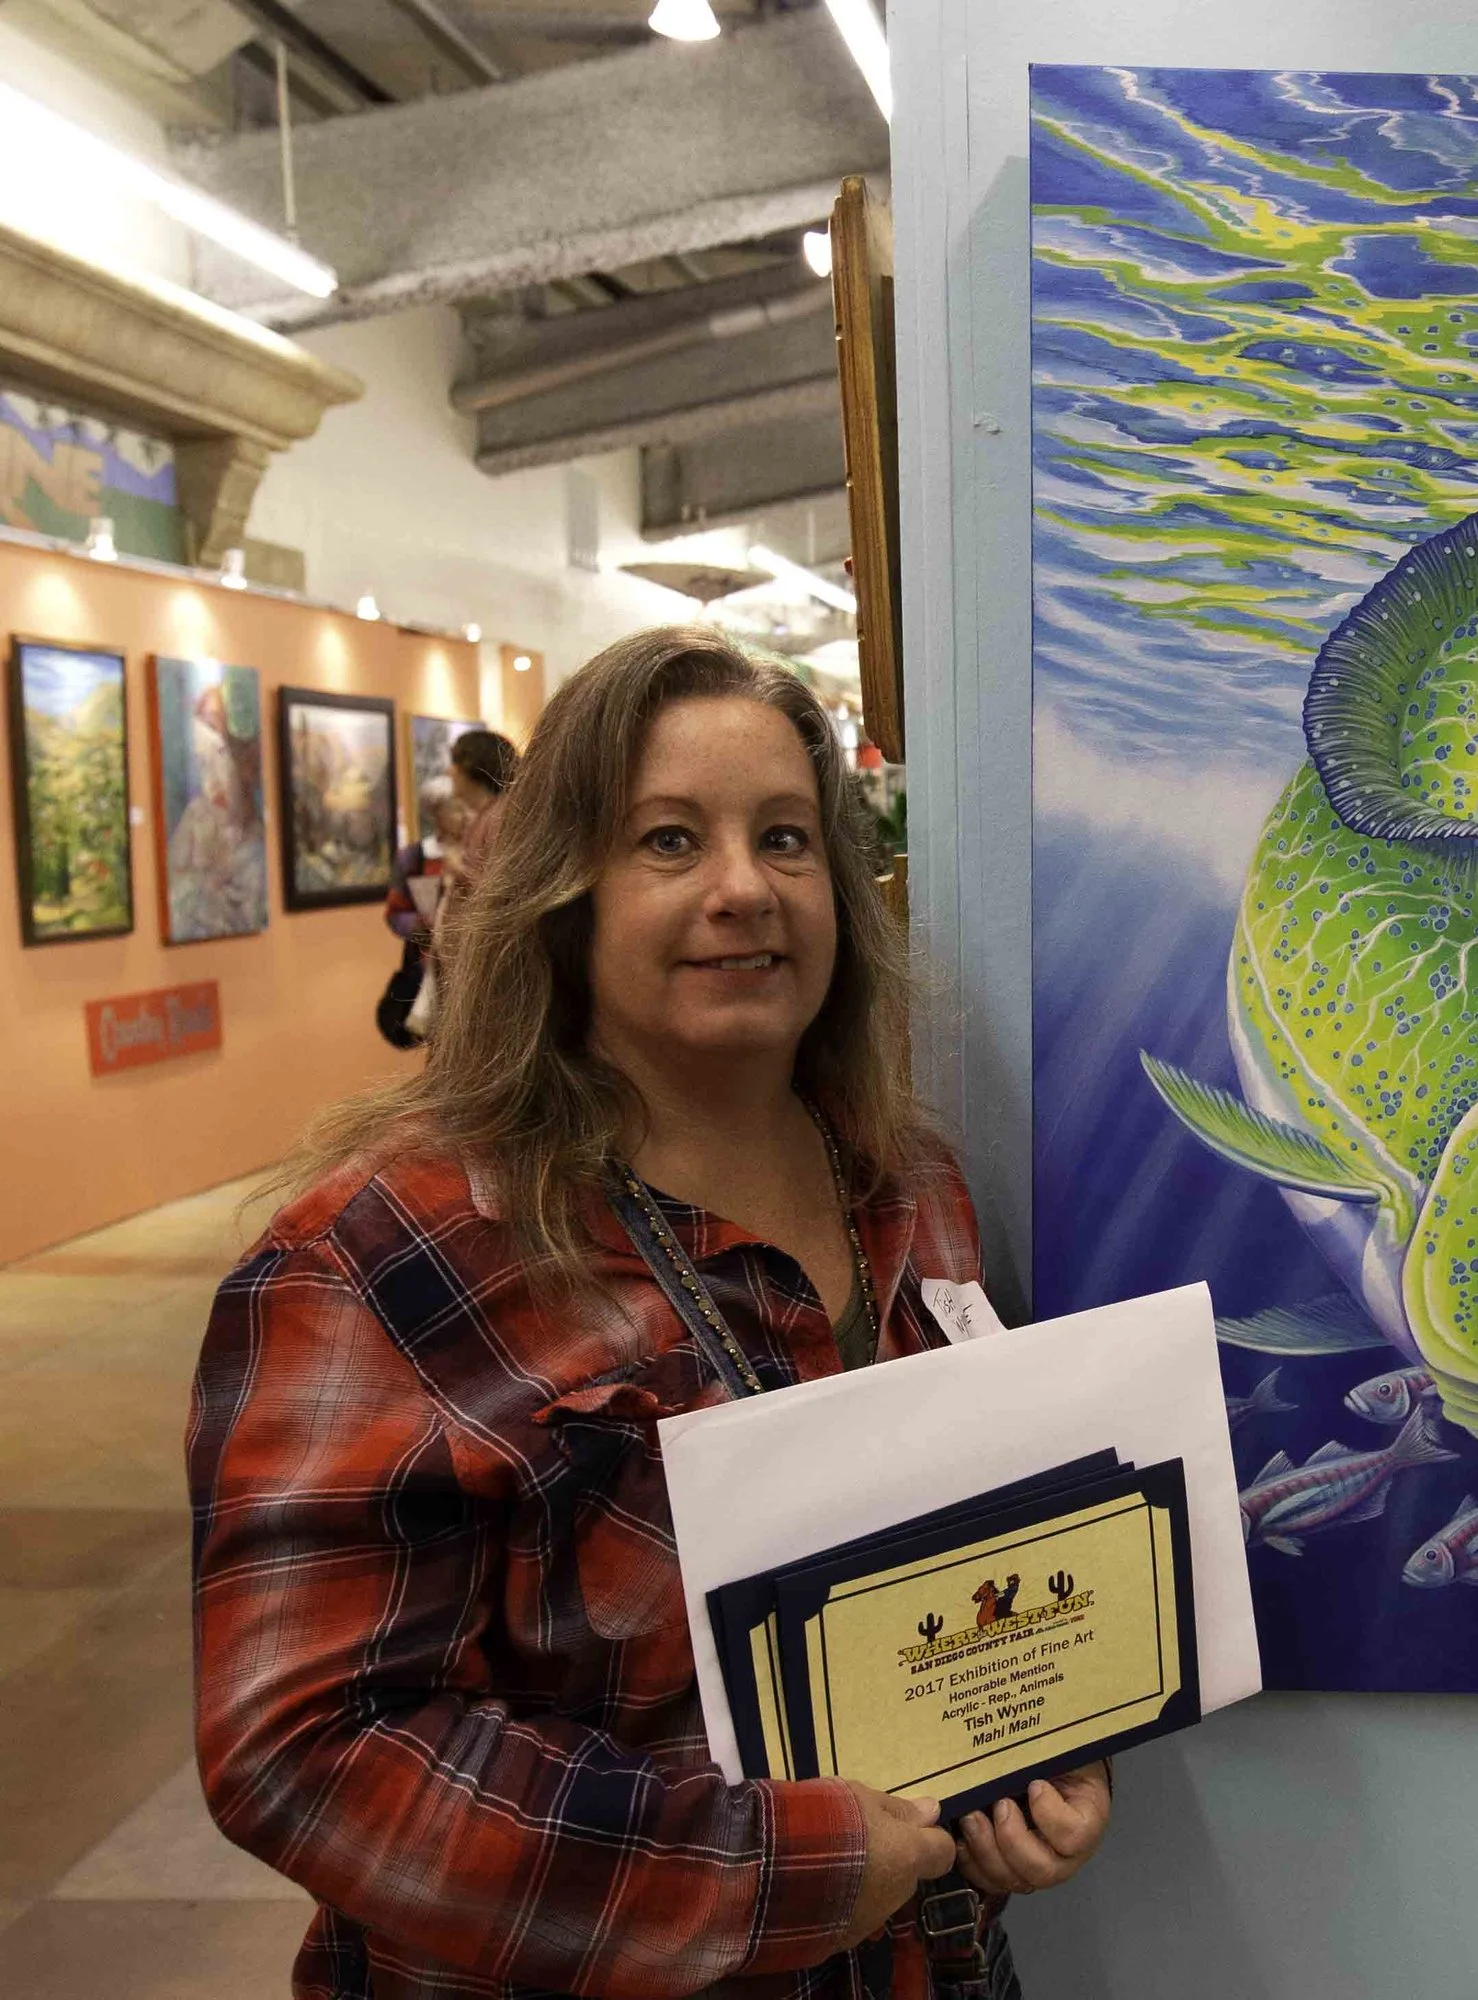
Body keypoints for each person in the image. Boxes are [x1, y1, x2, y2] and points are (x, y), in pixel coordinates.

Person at [191, 631, 1106, 2000]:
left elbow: (961, 1562)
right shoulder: (385, 1257)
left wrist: (1030, 1744)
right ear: (565, 893)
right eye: (670, 841)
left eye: (787, 840)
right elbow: (311, 1749)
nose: (746, 889)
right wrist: (774, 1871)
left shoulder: (910, 1189)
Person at [379, 731, 518, 1048]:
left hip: (484, 978)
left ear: (474, 767)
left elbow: (508, 894)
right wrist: (425, 927)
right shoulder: (415, 856)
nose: (449, 772)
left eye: (455, 763)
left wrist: (461, 872)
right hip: (455, 971)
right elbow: (395, 912)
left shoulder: (499, 819)